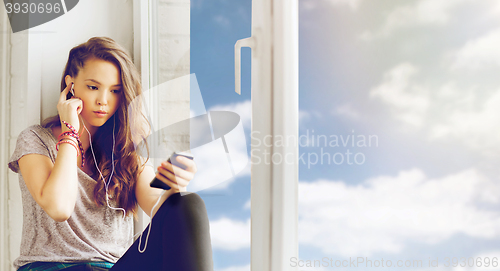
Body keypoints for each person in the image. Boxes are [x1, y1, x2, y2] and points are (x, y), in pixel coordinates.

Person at [7, 37, 213, 271]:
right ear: (71, 85)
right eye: (93, 87)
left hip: (112, 268)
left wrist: (175, 183)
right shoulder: (36, 140)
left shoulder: (125, 150)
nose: (103, 101)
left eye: (115, 91)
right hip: (51, 268)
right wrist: (70, 133)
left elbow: (161, 210)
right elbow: (59, 208)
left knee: (188, 205)